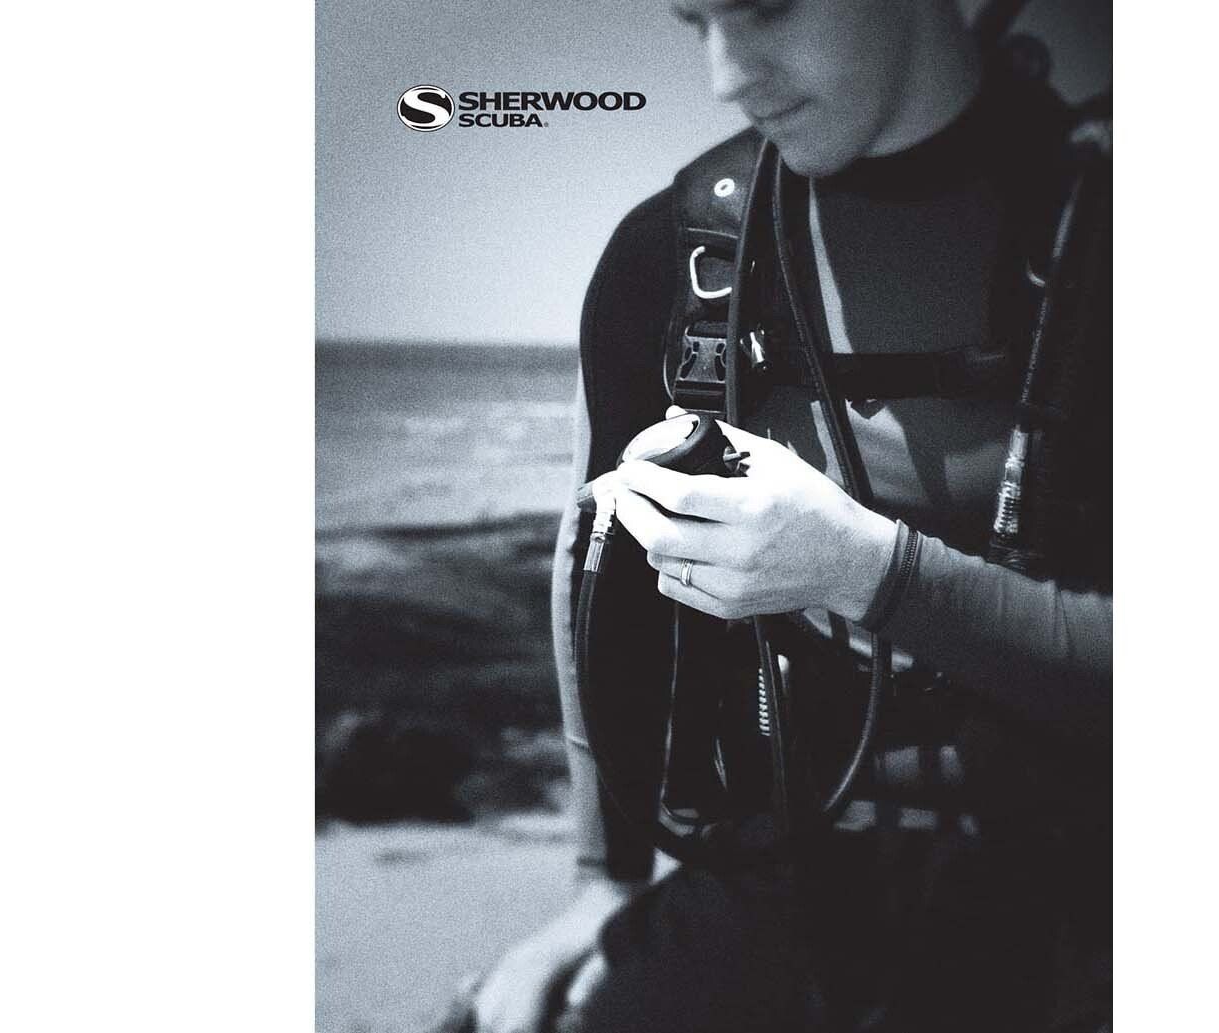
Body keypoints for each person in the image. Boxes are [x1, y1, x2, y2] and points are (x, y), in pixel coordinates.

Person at [467, 2, 1110, 1030]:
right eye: (696, 18)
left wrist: (865, 569)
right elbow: (588, 566)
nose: (726, 72)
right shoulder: (669, 252)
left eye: (765, 6)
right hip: (779, 883)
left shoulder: (1105, 226)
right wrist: (605, 879)